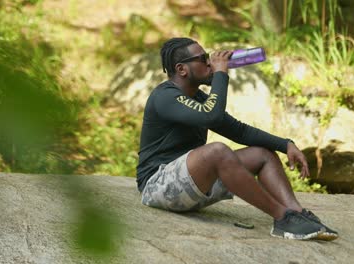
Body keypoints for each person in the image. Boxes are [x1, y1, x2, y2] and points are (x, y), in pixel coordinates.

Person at [136, 37, 338, 241]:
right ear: (182, 69)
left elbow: (239, 132)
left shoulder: (197, 99)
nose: (210, 62)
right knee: (217, 151)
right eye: (203, 58)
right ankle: (282, 217)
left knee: (262, 154)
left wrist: (286, 144)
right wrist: (221, 74)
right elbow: (211, 115)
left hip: (193, 185)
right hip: (157, 187)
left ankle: (297, 214)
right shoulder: (164, 97)